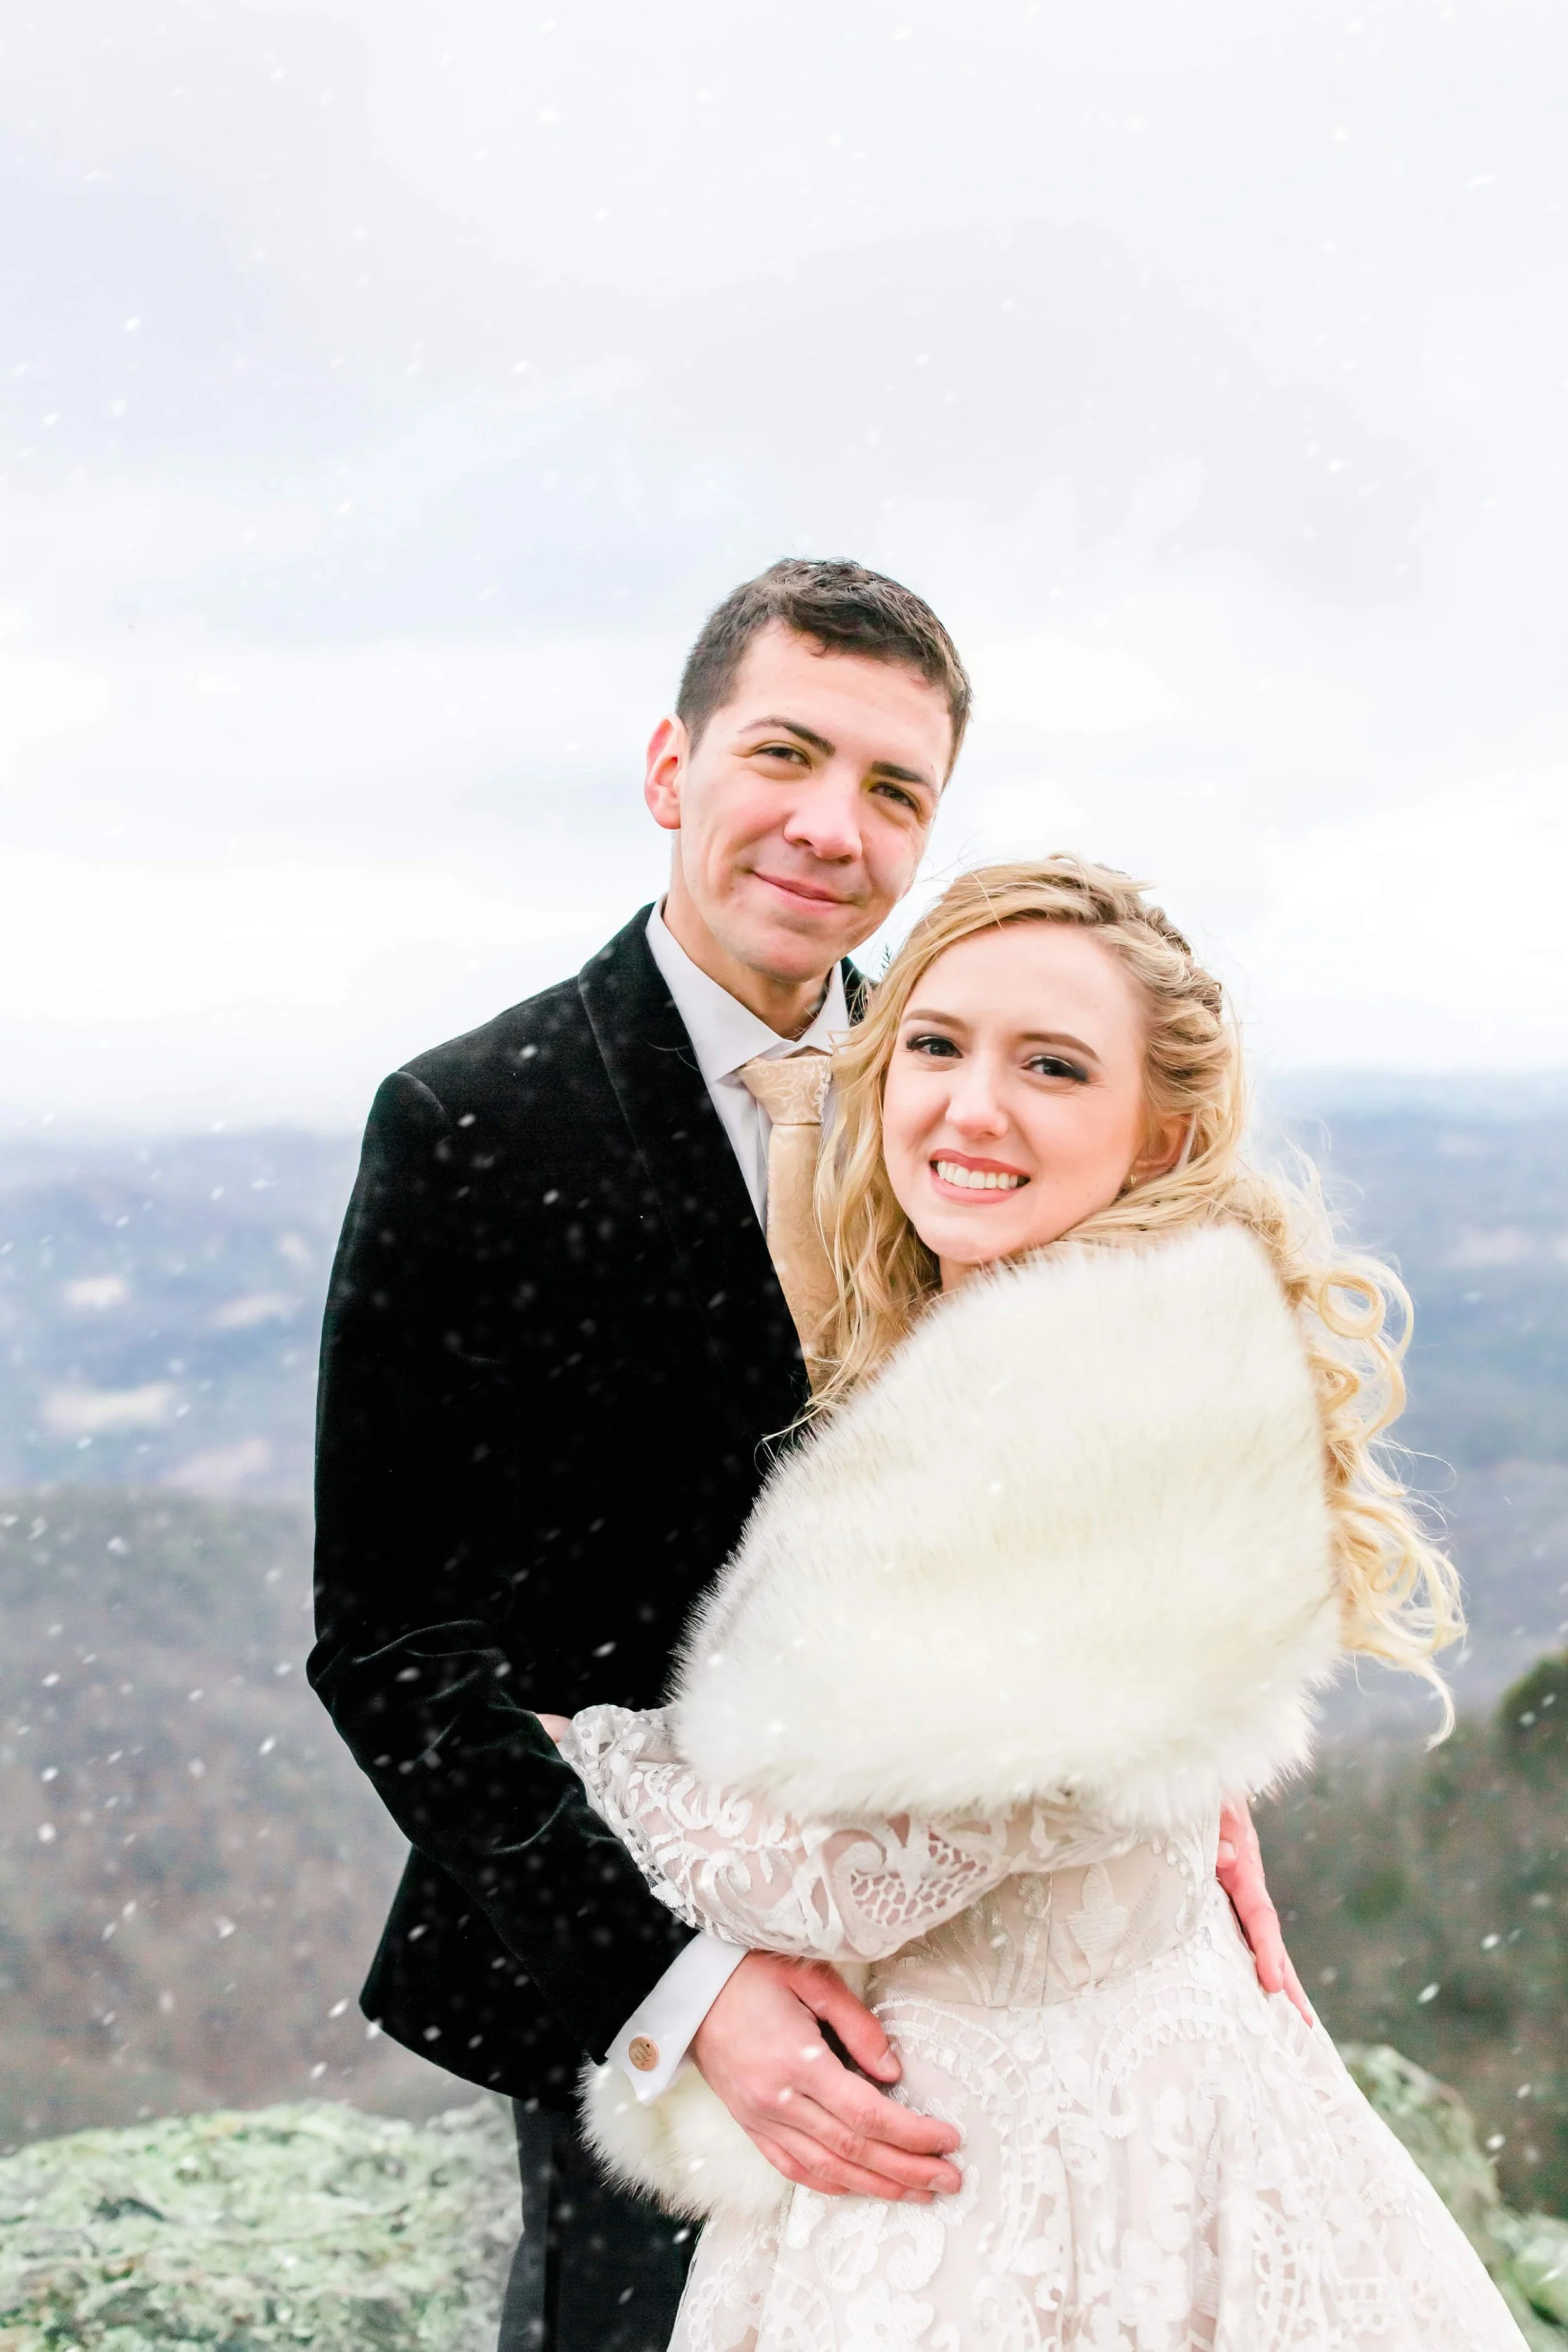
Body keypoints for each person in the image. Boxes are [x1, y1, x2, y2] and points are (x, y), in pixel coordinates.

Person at [309, 571, 1301, 2352]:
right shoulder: (472, 1119)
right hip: (638, 1976)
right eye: (786, 752)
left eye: (896, 786)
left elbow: (1085, 1481)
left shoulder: (963, 1093)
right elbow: (393, 1644)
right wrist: (683, 1987)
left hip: (995, 1987)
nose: (832, 825)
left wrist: (1165, 1761)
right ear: (669, 763)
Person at [537, 858, 1525, 2351]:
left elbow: (846, 1883)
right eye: (934, 1046)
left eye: (1051, 1067)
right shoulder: (1050, 1344)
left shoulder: (1078, 1415)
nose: (970, 1107)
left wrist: (561, 1742)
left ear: (1160, 1132)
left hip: (1034, 2181)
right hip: (1098, 2103)